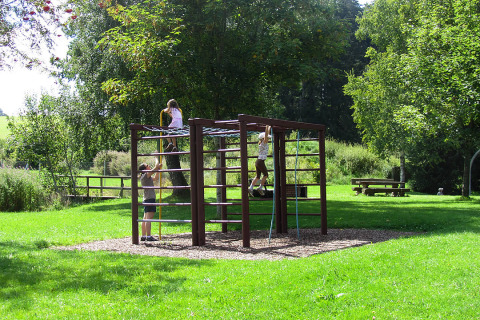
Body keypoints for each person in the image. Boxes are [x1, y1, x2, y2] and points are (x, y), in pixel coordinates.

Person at [139, 156, 162, 241]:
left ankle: (143, 236)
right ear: (144, 169)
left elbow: (155, 178)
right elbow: (155, 167)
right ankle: (148, 236)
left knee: (145, 218)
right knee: (149, 218)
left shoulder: (145, 177)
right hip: (149, 198)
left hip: (147, 198)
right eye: (147, 165)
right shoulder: (146, 175)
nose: (149, 166)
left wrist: (158, 169)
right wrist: (156, 158)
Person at [248, 125, 271, 196]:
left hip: (258, 161)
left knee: (258, 176)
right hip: (260, 161)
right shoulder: (264, 142)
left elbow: (267, 135)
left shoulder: (261, 143)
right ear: (263, 138)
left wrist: (269, 127)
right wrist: (267, 127)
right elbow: (266, 135)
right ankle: (260, 187)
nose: (269, 139)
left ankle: (251, 188)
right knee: (266, 175)